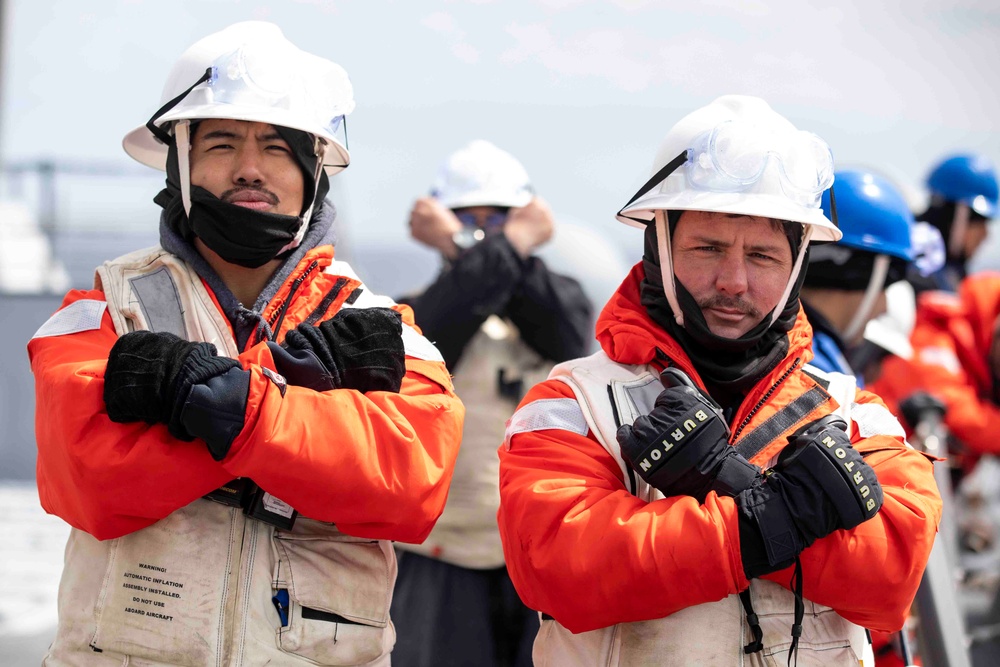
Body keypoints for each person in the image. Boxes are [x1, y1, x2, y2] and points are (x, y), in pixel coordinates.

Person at [28, 21, 463, 667]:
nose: (250, 169)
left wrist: (204, 398)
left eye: (277, 148)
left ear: (313, 172)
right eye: (222, 142)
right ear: (179, 162)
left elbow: (406, 485)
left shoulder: (382, 329)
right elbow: (88, 480)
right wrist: (296, 390)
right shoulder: (102, 308)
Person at [496, 95, 942, 665]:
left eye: (763, 256)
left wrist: (724, 480)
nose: (734, 281)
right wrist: (773, 518)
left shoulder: (855, 413)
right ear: (660, 248)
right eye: (708, 248)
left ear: (797, 266)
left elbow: (893, 575)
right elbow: (562, 567)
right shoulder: (573, 405)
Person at [391, 139, 592, 667]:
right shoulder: (414, 312)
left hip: (540, 552)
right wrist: (506, 243)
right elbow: (441, 327)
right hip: (440, 552)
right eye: (467, 220)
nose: (484, 233)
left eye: (499, 220)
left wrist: (461, 243)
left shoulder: (560, 302)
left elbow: (565, 334)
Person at [800, 169, 915, 382]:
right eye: (884, 286)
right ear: (858, 276)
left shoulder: (810, 358)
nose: (885, 307)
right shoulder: (814, 373)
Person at [910, 152, 998, 293]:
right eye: (980, 222)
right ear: (956, 216)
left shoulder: (954, 274)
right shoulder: (911, 270)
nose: (985, 235)